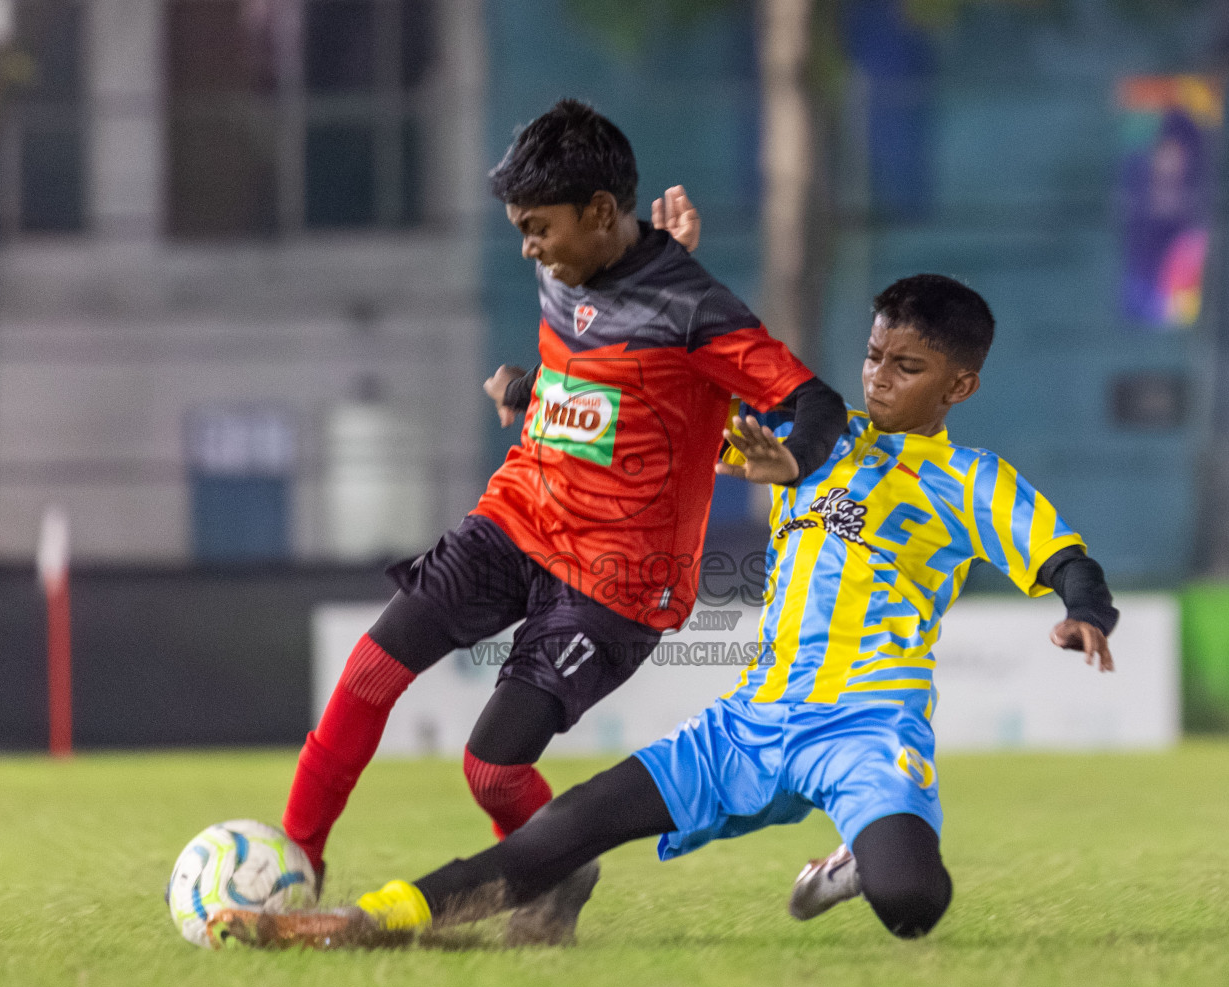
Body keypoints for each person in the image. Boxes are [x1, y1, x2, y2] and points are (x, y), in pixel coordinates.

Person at [214, 273, 1119, 949]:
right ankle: (358, 924)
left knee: (912, 904)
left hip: (866, 729)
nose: (881, 378)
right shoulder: (820, 437)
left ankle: (853, 857)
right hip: (753, 720)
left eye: (909, 366)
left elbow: (1064, 557)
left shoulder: (973, 481)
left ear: (958, 386)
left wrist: (1088, 612)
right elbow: (649, 420)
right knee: (566, 830)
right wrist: (536, 398)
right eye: (875, 355)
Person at [281, 97, 849, 903]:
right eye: (519, 227)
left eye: (538, 227)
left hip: (614, 578)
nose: (529, 248)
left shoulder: (696, 310)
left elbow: (814, 400)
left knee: (490, 767)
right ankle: (296, 858)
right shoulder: (570, 265)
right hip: (518, 517)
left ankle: (557, 876)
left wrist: (794, 460)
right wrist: (530, 387)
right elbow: (601, 368)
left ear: (601, 212)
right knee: (369, 670)